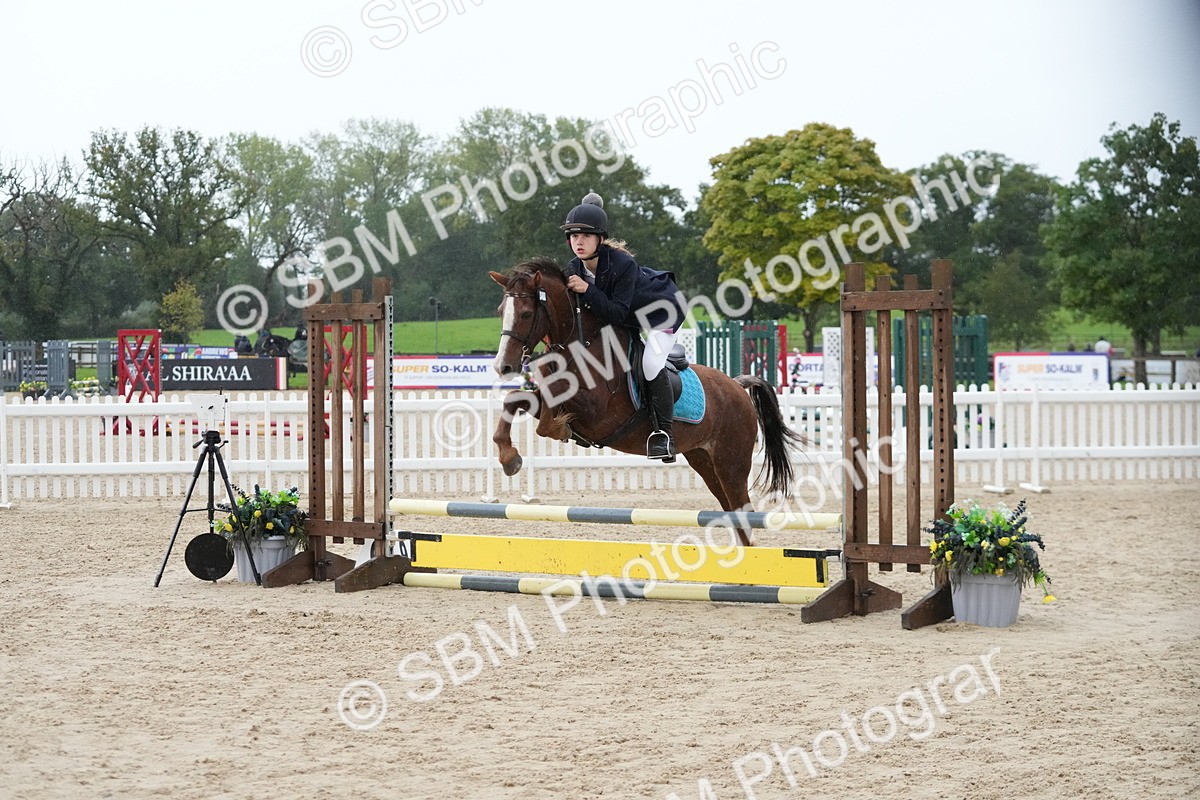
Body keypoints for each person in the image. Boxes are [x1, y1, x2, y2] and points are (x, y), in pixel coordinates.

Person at [560, 192, 685, 462]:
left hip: (662, 312)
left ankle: (664, 435)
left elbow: (617, 311)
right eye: (573, 236)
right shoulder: (574, 267)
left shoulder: (622, 263)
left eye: (586, 236)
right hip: (630, 317)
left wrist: (587, 290)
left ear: (600, 239)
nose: (578, 242)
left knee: (651, 364)